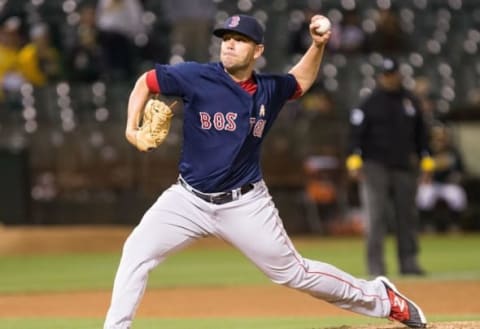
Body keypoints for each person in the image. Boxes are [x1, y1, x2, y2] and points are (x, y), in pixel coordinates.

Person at [104, 15, 427, 329]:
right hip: (188, 199)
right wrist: (132, 130)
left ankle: (381, 298)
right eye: (226, 39)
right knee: (136, 252)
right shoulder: (195, 76)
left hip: (244, 203)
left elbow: (300, 81)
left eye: (239, 40)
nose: (229, 45)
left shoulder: (269, 90)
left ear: (257, 50)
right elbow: (144, 82)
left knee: (293, 273)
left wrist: (317, 45)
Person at [346, 57, 434, 277]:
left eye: (393, 74)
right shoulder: (369, 102)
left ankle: (409, 262)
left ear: (399, 75)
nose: (390, 79)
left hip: (404, 166)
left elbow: (422, 135)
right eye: (386, 75)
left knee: (407, 216)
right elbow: (355, 135)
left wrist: (427, 160)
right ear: (380, 77)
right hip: (375, 166)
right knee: (376, 217)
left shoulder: (410, 101)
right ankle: (376, 267)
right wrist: (354, 160)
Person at [416, 124, 468, 232]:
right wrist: (423, 177)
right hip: (432, 184)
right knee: (423, 194)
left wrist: (457, 177)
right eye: (437, 136)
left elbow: (461, 170)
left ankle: (454, 224)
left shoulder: (453, 151)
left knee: (457, 195)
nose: (439, 139)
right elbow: (421, 170)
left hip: (448, 184)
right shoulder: (427, 151)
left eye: (442, 137)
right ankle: (427, 224)